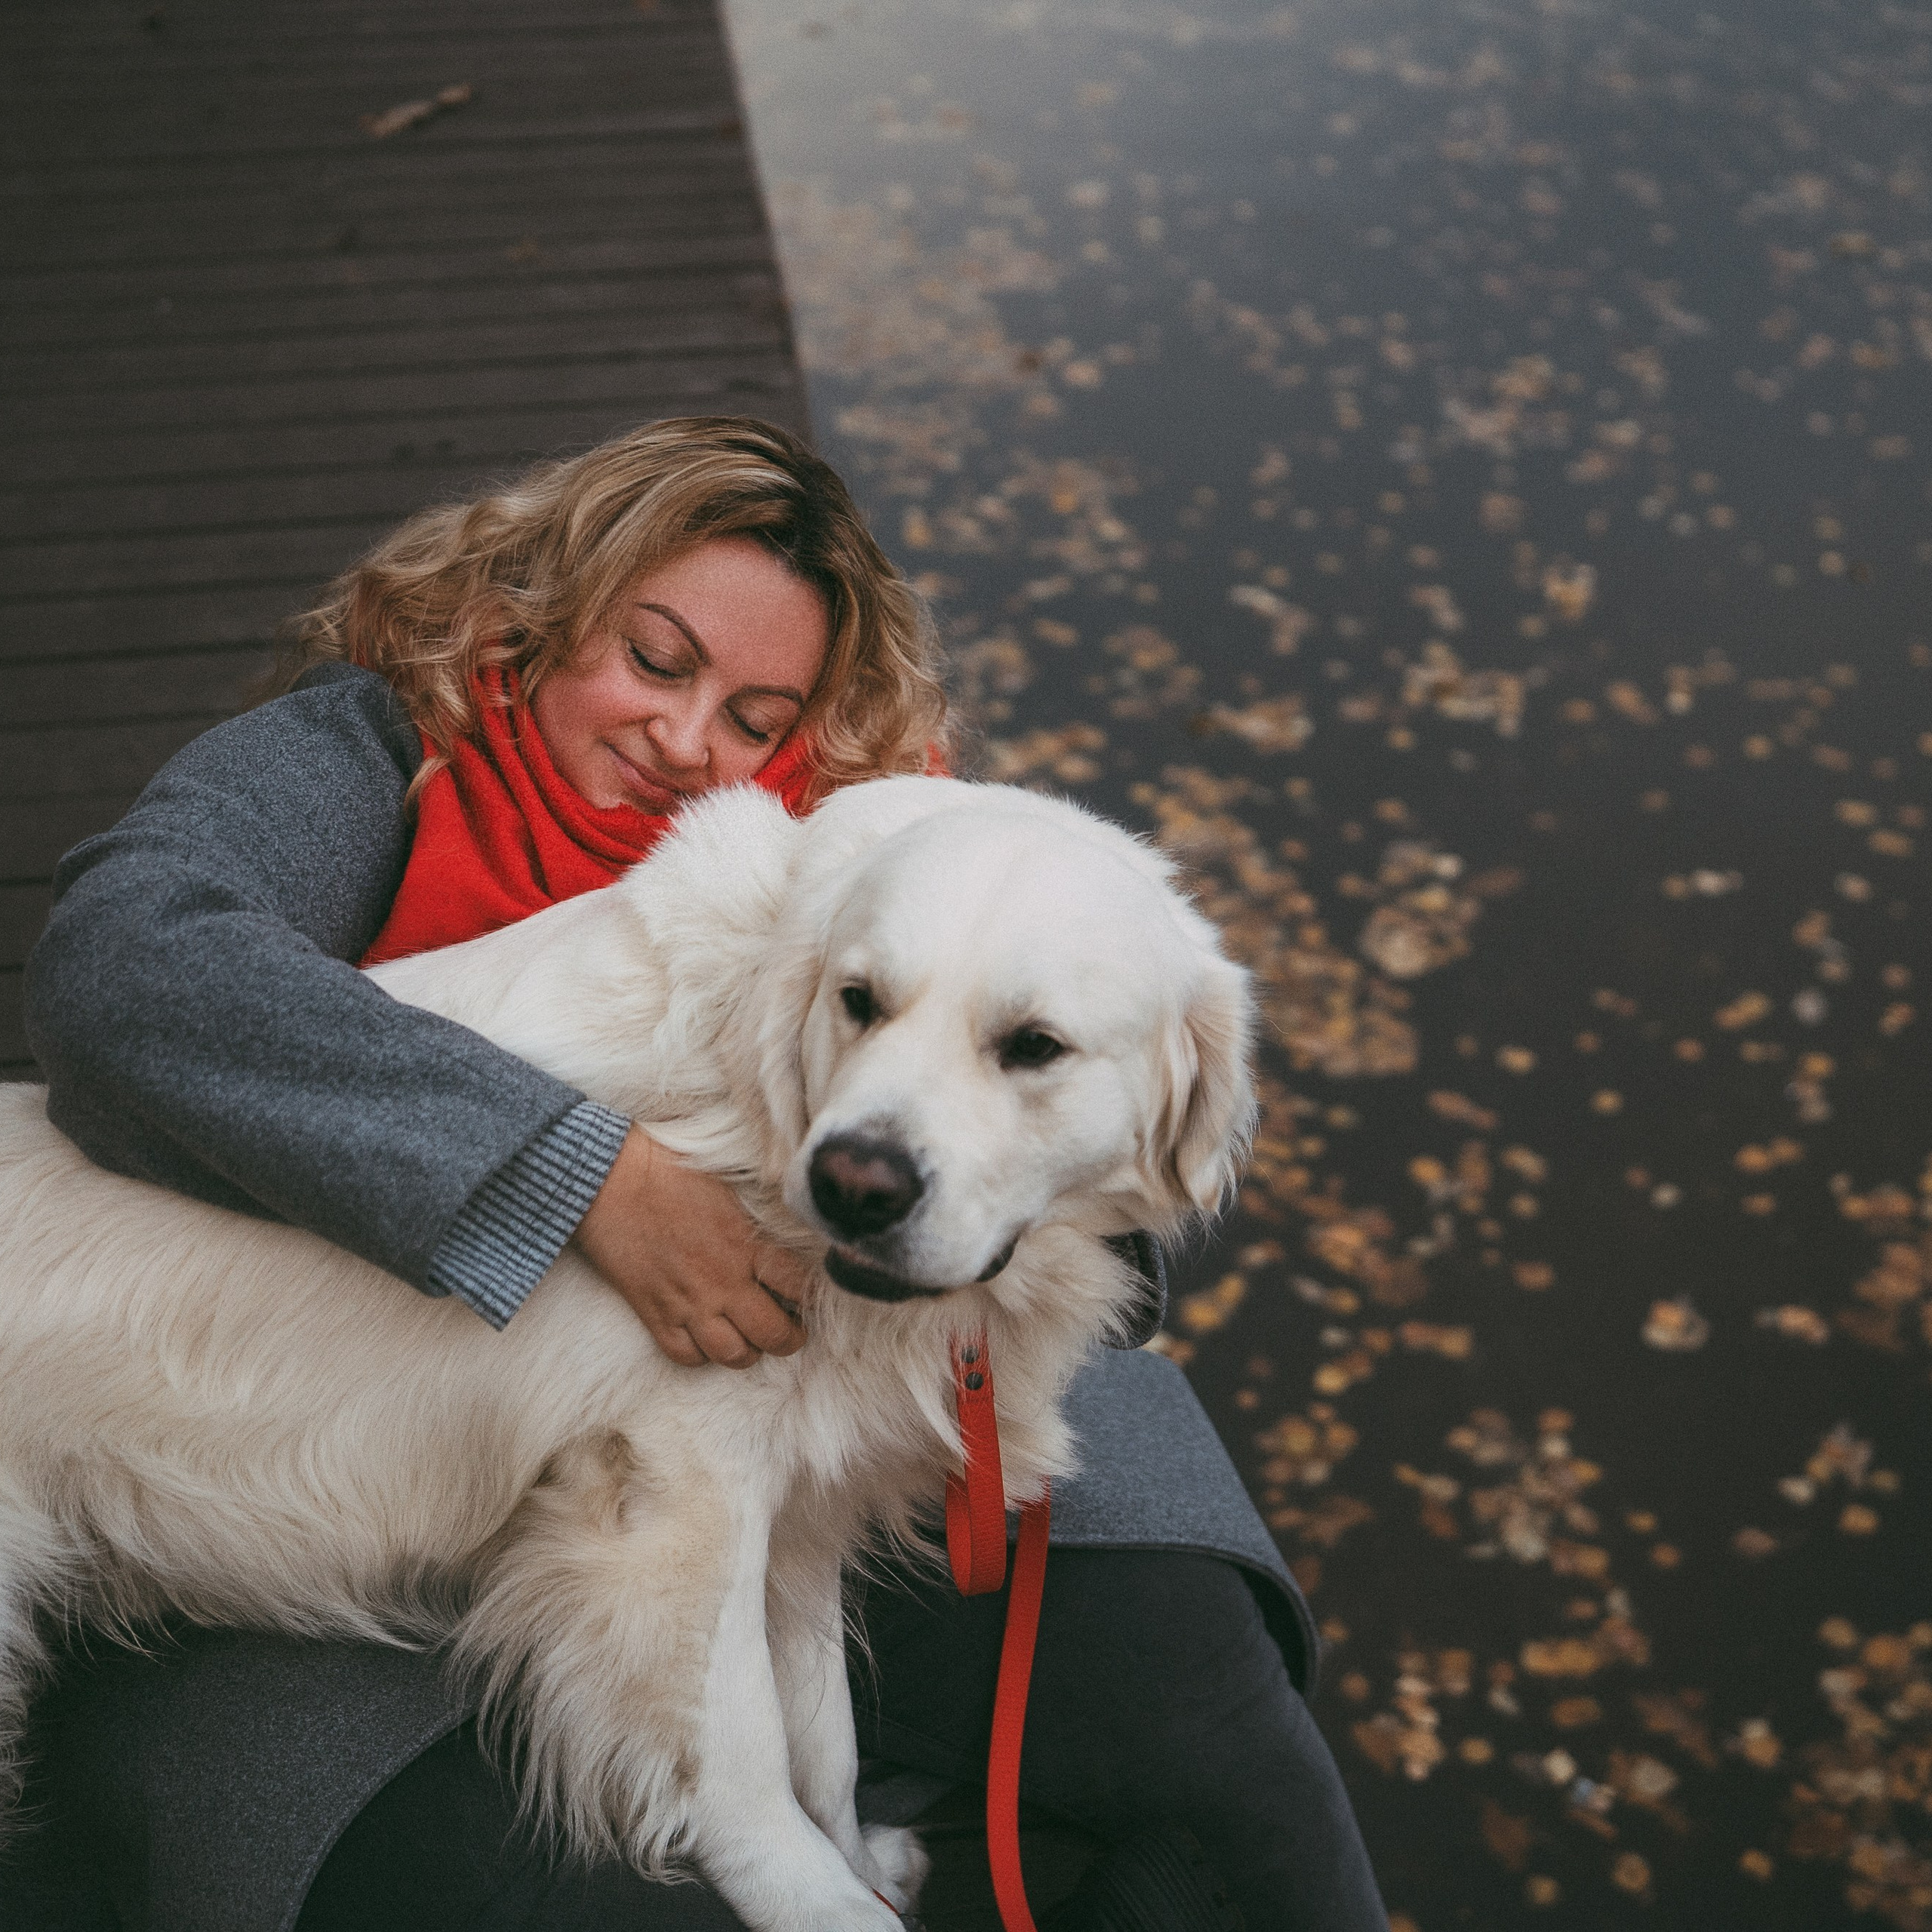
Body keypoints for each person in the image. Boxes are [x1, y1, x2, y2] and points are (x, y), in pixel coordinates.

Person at [15, 418, 1388, 1932]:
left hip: (807, 1445)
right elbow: (126, 967)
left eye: (753, 712)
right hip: (292, 1426)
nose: (687, 743)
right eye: (651, 661)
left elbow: (1086, 1140)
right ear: (534, 619)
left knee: (1214, 1719)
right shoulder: (370, 752)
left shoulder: (876, 855)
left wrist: (1003, 1210)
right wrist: (582, 1174)